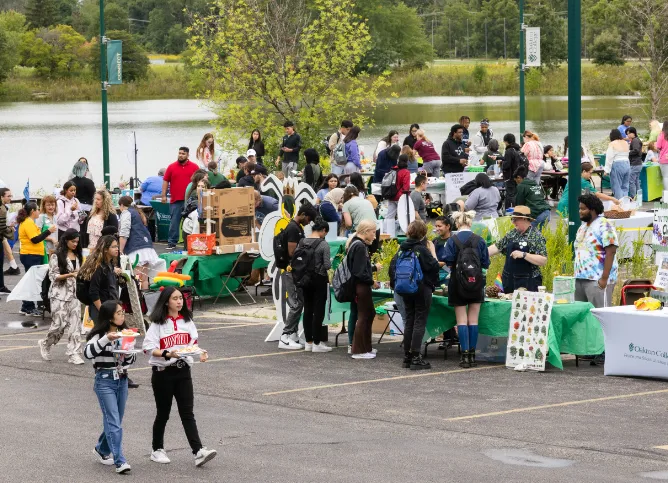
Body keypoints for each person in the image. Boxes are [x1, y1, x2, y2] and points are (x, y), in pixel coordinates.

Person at [143, 286, 217, 467]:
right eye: (175, 298)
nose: (179, 301)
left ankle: (198, 451)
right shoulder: (157, 324)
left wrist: (201, 352)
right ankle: (157, 449)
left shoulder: (187, 321)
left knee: (187, 412)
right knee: (163, 413)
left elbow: (192, 344)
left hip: (183, 371)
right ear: (166, 301)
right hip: (163, 373)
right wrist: (168, 354)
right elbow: (148, 349)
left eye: (181, 298)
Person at [84, 300, 136, 474]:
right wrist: (107, 338)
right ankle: (120, 460)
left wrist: (128, 352)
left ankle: (101, 448)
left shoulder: (125, 333)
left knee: (115, 420)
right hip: (104, 380)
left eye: (123, 312)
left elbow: (130, 361)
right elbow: (88, 353)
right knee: (113, 421)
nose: (122, 315)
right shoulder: (98, 335)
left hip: (122, 379)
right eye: (119, 313)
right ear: (109, 316)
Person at [389, 220, 439, 370]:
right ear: (423, 234)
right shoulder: (422, 249)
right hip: (421, 288)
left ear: (408, 232)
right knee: (420, 321)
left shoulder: (401, 250)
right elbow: (434, 266)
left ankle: (407, 356)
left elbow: (392, 269)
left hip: (404, 289)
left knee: (409, 320)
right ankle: (416, 356)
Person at [443, 210, 489, 368]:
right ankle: (473, 355)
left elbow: (448, 261)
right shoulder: (480, 240)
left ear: (456, 223)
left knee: (461, 319)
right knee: (473, 319)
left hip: (457, 282)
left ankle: (464, 356)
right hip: (476, 282)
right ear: (470, 223)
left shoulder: (452, 240)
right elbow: (485, 263)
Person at [39, 228, 84, 364]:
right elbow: (53, 276)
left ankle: (74, 353)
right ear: (66, 241)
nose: (75, 244)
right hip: (59, 295)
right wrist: (70, 274)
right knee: (58, 325)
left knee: (75, 325)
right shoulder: (56, 256)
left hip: (75, 295)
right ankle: (46, 343)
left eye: (77, 241)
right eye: (72, 241)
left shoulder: (78, 256)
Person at [278, 203, 318, 350]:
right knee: (296, 304)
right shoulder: (293, 229)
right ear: (303, 215)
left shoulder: (297, 227)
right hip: (291, 271)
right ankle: (285, 336)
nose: (309, 222)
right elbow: (292, 252)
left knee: (299, 302)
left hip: (296, 271)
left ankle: (293, 334)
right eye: (309, 219)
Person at [488, 205, 547, 293]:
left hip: (528, 283)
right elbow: (497, 247)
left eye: (516, 220)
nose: (513, 222)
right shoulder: (512, 234)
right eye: (512, 219)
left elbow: (543, 260)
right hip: (509, 281)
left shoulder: (536, 236)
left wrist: (524, 255)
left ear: (524, 219)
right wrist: (478, 253)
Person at [574, 194, 618, 309]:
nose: (580, 211)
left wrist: (604, 279)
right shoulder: (582, 227)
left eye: (583, 209)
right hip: (580, 278)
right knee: (583, 317)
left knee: (599, 317)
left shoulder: (605, 225)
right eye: (579, 208)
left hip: (596, 279)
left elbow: (611, 251)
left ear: (592, 210)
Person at [347, 220, 381, 359]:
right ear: (366, 231)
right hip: (361, 286)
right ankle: (359, 350)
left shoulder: (355, 244)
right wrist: (371, 281)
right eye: (373, 232)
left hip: (359, 285)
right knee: (364, 316)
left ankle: (365, 347)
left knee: (368, 314)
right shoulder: (360, 246)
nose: (374, 236)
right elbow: (359, 271)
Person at [297, 218, 332, 353]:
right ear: (323, 230)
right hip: (319, 279)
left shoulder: (302, 242)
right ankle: (317, 343)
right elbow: (327, 265)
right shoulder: (323, 244)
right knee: (318, 311)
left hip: (304, 279)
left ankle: (308, 342)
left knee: (308, 309)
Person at [17, 202, 57, 317]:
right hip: (30, 255)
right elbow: (35, 239)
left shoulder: (30, 222)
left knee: (32, 281)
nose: (39, 211)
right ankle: (28, 307)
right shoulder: (28, 223)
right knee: (31, 282)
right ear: (32, 211)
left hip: (34, 255)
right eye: (38, 209)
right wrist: (48, 231)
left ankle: (27, 306)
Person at [161, 147, 199, 250]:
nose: (180, 155)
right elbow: (165, 181)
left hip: (191, 201)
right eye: (179, 153)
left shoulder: (194, 167)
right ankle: (172, 242)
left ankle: (192, 242)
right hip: (176, 200)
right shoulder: (171, 167)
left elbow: (199, 181)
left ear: (187, 155)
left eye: (183, 153)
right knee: (174, 222)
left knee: (192, 221)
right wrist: (163, 195)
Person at [118, 196, 159, 290]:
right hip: (146, 247)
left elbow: (124, 233)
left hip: (136, 248)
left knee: (136, 278)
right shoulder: (137, 212)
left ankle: (138, 302)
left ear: (122, 205)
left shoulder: (126, 213)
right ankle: (144, 302)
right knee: (144, 279)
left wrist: (120, 250)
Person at [80, 235, 122, 323]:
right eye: (113, 247)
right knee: (103, 336)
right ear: (105, 249)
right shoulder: (98, 267)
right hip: (101, 309)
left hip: (110, 308)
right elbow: (93, 292)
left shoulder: (109, 264)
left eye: (117, 246)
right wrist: (102, 311)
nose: (117, 249)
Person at [605, 128, 631, 200]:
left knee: (617, 186)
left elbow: (609, 158)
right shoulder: (625, 142)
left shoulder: (612, 144)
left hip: (618, 164)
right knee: (625, 186)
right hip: (627, 164)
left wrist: (606, 170)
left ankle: (619, 204)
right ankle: (626, 203)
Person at [385, 155, 411, 224]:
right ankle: (402, 231)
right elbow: (406, 187)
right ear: (407, 161)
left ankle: (386, 230)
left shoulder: (393, 170)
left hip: (391, 195)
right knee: (402, 215)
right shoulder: (406, 172)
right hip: (400, 196)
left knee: (390, 215)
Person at [502, 133, 523, 209]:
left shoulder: (509, 151)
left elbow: (507, 165)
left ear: (507, 142)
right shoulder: (518, 149)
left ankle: (509, 211)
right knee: (516, 194)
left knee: (510, 195)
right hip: (518, 176)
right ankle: (517, 209)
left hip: (510, 176)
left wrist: (501, 163)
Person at [0, 188, 14, 293]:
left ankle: (1, 286)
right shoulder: (2, 209)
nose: (10, 198)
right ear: (1, 197)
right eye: (8, 196)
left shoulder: (3, 208)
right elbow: (2, 227)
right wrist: (10, 229)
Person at [627, 126, 643, 198]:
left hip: (635, 163)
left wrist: (628, 152)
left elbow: (636, 150)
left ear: (632, 133)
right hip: (638, 163)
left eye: (628, 134)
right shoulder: (636, 140)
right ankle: (639, 197)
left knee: (631, 181)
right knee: (636, 180)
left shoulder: (635, 140)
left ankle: (633, 197)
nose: (627, 135)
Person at [656, 121, 668, 192]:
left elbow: (658, 147)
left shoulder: (661, 135)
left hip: (664, 158)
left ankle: (667, 195)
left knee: (666, 177)